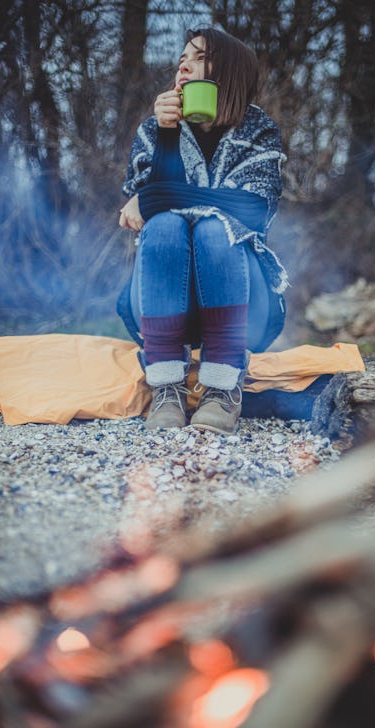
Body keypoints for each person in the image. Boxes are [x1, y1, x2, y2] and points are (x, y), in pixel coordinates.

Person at [118, 27, 287, 433]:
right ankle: (166, 388)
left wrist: (156, 198)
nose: (183, 65)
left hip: (246, 307)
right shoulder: (154, 130)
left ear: (226, 71)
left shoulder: (258, 130)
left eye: (197, 57)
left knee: (216, 229)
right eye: (181, 58)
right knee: (163, 227)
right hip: (162, 303)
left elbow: (253, 209)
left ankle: (223, 387)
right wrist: (167, 136)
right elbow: (145, 213)